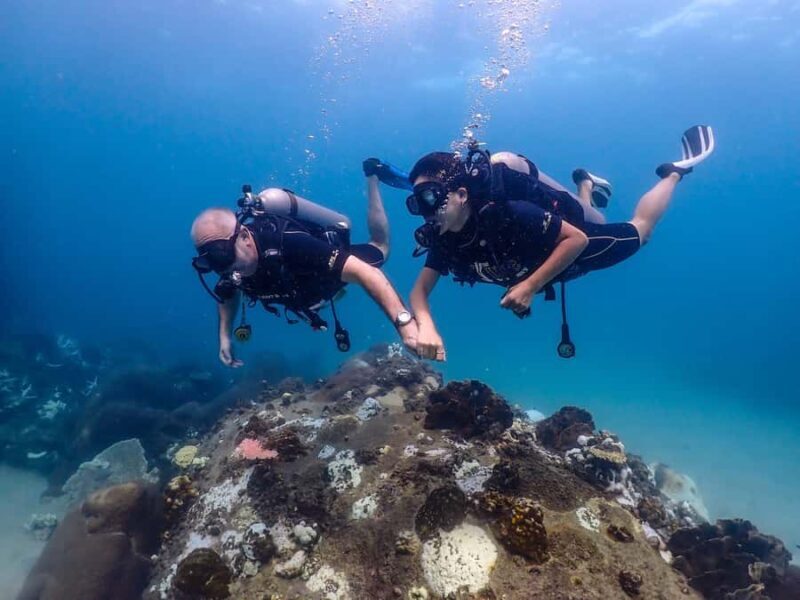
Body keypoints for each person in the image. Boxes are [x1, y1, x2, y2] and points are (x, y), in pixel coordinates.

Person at [371, 125, 715, 361]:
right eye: (418, 203)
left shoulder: (509, 213)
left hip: (568, 251)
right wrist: (426, 326)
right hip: (543, 262)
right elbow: (419, 292)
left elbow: (576, 238)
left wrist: (530, 285)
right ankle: (587, 187)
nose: (426, 213)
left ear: (462, 194)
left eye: (431, 197)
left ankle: (674, 172)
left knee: (640, 232)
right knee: (586, 214)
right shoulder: (444, 237)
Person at [190, 172, 418, 367]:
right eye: (210, 263)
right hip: (309, 295)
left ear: (244, 237)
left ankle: (373, 178)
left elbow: (368, 274)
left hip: (326, 271)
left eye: (223, 255)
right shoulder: (230, 267)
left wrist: (405, 325)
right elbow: (227, 295)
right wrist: (224, 338)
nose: (223, 270)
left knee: (380, 248)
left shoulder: (290, 244)